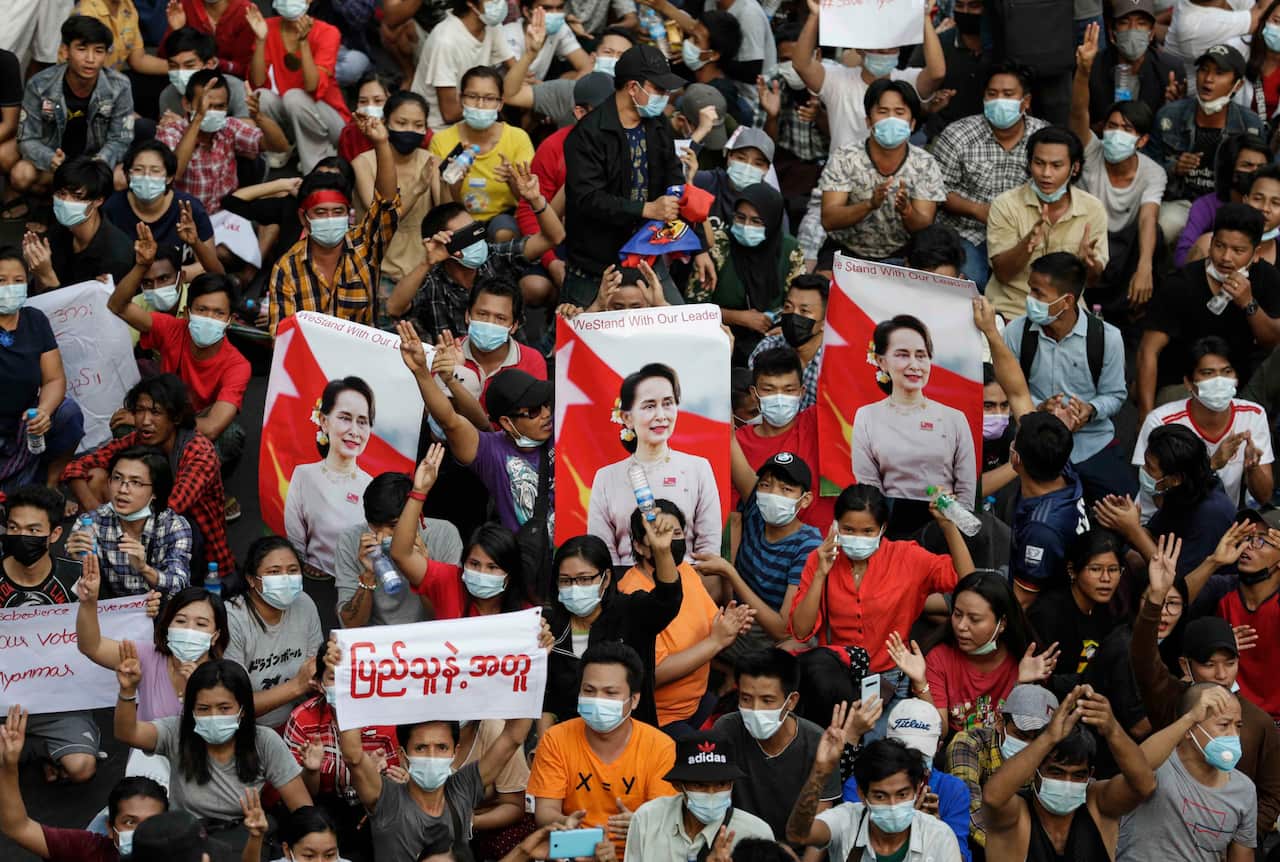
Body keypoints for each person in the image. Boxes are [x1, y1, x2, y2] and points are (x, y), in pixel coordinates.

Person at [1129, 533, 1280, 833]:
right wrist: (1156, 598)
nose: (1221, 675)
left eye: (1230, 663)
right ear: (1186, 665)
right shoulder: (1172, 699)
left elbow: (1271, 798)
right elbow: (1144, 659)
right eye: (1209, 664)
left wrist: (1232, 836)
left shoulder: (1260, 724)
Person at [789, 484, 968, 734]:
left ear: (883, 529)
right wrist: (820, 574)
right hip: (836, 680)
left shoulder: (907, 557)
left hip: (889, 682)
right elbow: (801, 629)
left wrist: (948, 526)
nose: (858, 537)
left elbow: (967, 582)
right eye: (849, 529)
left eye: (867, 531)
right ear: (835, 525)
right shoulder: (820, 558)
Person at [561, 44, 716, 308]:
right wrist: (646, 209)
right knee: (584, 342)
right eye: (659, 89)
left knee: (677, 330)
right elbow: (587, 199)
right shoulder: (587, 134)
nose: (666, 97)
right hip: (595, 268)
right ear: (633, 88)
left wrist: (699, 246)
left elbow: (676, 186)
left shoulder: (657, 126)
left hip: (649, 259)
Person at [114, 658, 312, 845]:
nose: (213, 716)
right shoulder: (176, 732)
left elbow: (303, 810)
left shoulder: (265, 741)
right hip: (186, 841)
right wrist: (127, 691)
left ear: (242, 709)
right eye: (203, 708)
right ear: (192, 710)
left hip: (244, 839)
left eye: (224, 708)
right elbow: (127, 733)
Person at [64, 374, 232, 576]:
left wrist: (108, 523)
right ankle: (107, 571)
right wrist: (94, 513)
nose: (145, 421)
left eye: (155, 412)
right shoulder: (138, 439)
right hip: (138, 529)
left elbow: (171, 508)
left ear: (176, 417)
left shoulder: (198, 451)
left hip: (197, 551)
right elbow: (75, 468)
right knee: (95, 476)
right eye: (140, 411)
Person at [108, 239, 250, 476]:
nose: (209, 317)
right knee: (123, 426)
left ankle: (208, 487)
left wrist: (151, 421)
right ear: (187, 311)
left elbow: (213, 427)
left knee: (231, 436)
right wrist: (142, 266)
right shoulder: (171, 328)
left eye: (218, 313)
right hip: (165, 414)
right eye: (202, 310)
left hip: (192, 428)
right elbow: (117, 305)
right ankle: (156, 481)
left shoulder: (238, 366)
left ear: (230, 319)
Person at [400, 326, 554, 536]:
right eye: (534, 411)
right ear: (507, 423)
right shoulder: (492, 452)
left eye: (547, 405)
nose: (546, 414)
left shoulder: (563, 433)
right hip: (528, 559)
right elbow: (450, 421)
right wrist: (421, 372)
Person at [528, 641, 678, 855]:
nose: (598, 700)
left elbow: (665, 819)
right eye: (589, 690)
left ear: (634, 700)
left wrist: (640, 824)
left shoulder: (660, 747)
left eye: (610, 693)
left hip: (637, 853)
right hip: (574, 851)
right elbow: (545, 811)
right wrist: (565, 822)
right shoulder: (555, 739)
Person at [1002, 252, 1131, 500]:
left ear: (1066, 301)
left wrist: (1089, 410)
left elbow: (1115, 395)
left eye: (1038, 293)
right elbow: (1006, 392)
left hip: (1091, 444)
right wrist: (1038, 410)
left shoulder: (1107, 338)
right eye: (1030, 290)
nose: (1030, 299)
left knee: (1123, 506)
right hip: (1035, 446)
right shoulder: (1017, 333)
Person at [981, 685, 1155, 862]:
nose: (1067, 782)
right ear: (1035, 771)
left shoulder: (1098, 805)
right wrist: (1048, 738)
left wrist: (1112, 729)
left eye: (1078, 775)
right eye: (1056, 772)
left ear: (1089, 775)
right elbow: (992, 798)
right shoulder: (1016, 817)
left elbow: (1144, 785)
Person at [1137, 203, 1280, 419]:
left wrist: (1248, 303)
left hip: (1240, 386)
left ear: (1256, 253)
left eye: (1238, 251)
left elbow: (1272, 342)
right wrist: (1145, 416)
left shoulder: (1266, 278)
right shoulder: (1180, 284)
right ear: (1210, 242)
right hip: (1185, 386)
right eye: (1220, 246)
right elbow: (1148, 351)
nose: (1226, 258)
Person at [618, 500, 748, 736]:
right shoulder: (632, 593)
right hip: (662, 717)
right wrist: (716, 641)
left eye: (676, 533)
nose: (670, 541)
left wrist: (731, 623)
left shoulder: (686, 571)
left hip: (699, 703)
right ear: (639, 546)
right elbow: (652, 673)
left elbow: (709, 625)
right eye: (661, 533)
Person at [266, 112, 398, 334]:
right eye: (320, 212)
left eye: (338, 211)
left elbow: (386, 204)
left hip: (362, 362)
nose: (330, 218)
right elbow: (282, 337)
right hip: (309, 363)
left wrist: (381, 144)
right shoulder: (287, 268)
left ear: (348, 214)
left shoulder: (365, 247)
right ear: (304, 218)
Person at [389, 179, 565, 342]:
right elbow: (394, 308)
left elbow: (554, 237)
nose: (475, 240)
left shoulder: (495, 256)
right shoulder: (432, 280)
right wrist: (428, 262)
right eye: (465, 236)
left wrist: (536, 200)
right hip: (455, 368)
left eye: (475, 230)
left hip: (512, 361)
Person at [542, 525, 682, 727]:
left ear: (606, 578)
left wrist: (662, 552)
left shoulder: (631, 612)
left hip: (633, 737)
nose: (575, 588)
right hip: (568, 744)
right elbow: (548, 698)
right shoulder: (550, 627)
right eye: (565, 581)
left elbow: (668, 601)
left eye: (584, 579)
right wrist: (543, 747)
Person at [1071, 27, 1166, 322]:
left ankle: (1137, 312)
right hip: (1086, 232)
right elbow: (1078, 113)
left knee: (1156, 239)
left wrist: (1145, 268)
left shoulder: (1153, 172)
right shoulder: (1091, 150)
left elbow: (1148, 217)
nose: (1116, 134)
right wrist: (1083, 71)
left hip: (1125, 243)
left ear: (1142, 140)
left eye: (1127, 129)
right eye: (1112, 126)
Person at [890, 570, 1057, 735]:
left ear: (1002, 623)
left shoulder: (1023, 661)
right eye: (957, 614)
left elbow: (1019, 735)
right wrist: (920, 682)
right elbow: (939, 731)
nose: (962, 626)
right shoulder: (938, 658)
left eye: (974, 619)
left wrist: (1022, 685)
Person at [588, 363, 722, 565]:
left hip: (689, 585)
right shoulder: (606, 477)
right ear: (627, 417)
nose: (661, 416)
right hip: (627, 589)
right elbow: (603, 552)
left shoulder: (698, 468)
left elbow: (708, 551)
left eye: (667, 403)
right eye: (649, 406)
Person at [932, 61, 1049, 287]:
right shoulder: (958, 134)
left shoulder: (1044, 137)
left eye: (1008, 94)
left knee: (1036, 284)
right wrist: (979, 211)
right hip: (967, 232)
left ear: (1025, 101)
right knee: (969, 282)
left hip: (1022, 233)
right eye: (992, 94)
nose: (999, 100)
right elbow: (938, 190)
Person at [0, 706, 168, 862]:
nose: (141, 833)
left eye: (152, 822)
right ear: (110, 828)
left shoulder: (189, 854)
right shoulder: (92, 851)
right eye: (130, 822)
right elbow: (18, 827)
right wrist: (7, 766)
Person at [1132, 335, 1273, 517]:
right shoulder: (1161, 422)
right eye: (1208, 373)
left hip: (1219, 522)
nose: (1219, 381)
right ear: (1188, 383)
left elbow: (1264, 497)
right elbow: (1158, 500)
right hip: (1162, 522)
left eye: (1227, 371)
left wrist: (1252, 468)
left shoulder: (1253, 415)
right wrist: (1211, 464)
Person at [77, 554, 229, 721]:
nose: (188, 630)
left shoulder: (227, 677)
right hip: (146, 747)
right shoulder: (148, 657)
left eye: (201, 624)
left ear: (215, 636)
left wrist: (199, 693)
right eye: (180, 621)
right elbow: (92, 647)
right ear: (167, 626)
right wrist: (89, 603)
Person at [710, 648, 842, 840]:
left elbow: (817, 832)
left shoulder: (818, 744)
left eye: (767, 700)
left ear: (791, 701)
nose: (755, 710)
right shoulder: (726, 730)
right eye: (746, 699)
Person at [785, 720, 963, 862]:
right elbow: (798, 835)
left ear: (916, 790)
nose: (893, 805)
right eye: (880, 796)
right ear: (862, 795)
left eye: (902, 795)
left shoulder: (939, 837)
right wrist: (820, 773)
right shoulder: (846, 821)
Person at [1116, 684, 1257, 861]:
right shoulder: (1159, 764)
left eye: (1238, 726)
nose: (1233, 735)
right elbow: (1136, 765)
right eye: (1223, 725)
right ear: (1190, 729)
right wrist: (1190, 717)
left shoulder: (1244, 791)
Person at [698, 452, 822, 652]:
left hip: (773, 633)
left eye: (786, 489)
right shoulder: (756, 511)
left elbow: (782, 630)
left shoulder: (807, 544)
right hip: (737, 618)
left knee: (793, 647)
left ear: (805, 499)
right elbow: (731, 446)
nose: (773, 494)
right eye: (765, 485)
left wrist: (730, 573)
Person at [852, 313, 978, 508]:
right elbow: (869, 487)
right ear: (881, 361)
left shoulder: (954, 419)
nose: (914, 365)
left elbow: (967, 494)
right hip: (889, 526)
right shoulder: (867, 416)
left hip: (947, 526)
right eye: (902, 355)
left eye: (921, 356)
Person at [984, 126, 1109, 320]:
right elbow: (1002, 274)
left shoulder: (1093, 209)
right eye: (1039, 163)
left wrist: (1088, 264)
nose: (1046, 173)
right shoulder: (1005, 204)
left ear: (1074, 167)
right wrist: (1026, 245)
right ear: (1029, 163)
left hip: (1066, 314)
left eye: (1056, 165)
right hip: (1011, 310)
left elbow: (1092, 281)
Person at [818, 79, 946, 268]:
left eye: (899, 112)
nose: (891, 119)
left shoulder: (925, 164)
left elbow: (924, 226)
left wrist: (907, 211)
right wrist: (869, 205)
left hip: (902, 255)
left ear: (912, 123)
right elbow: (829, 219)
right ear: (869, 121)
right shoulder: (844, 157)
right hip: (845, 250)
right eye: (883, 112)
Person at [281, 649, 399, 854]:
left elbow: (395, 798)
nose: (345, 686)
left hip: (370, 811)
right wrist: (311, 771)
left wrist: (377, 778)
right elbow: (301, 800)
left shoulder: (387, 721)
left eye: (352, 677)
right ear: (319, 683)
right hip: (320, 811)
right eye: (335, 678)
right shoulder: (302, 719)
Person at [789, 0, 944, 150]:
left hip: (893, 172)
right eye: (876, 47)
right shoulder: (836, 81)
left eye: (891, 47)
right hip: (842, 173)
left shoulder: (907, 81)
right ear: (859, 49)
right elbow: (801, 65)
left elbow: (937, 73)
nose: (884, 51)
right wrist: (814, 16)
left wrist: (924, 18)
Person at [1152, 45, 1264, 247]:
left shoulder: (1250, 125)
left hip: (1230, 204)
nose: (1208, 79)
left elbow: (1261, 175)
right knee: (1163, 226)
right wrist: (1174, 168)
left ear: (1237, 85)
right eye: (1204, 70)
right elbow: (1147, 167)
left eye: (1219, 73)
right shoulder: (1169, 116)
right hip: (1181, 202)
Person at [11, 16, 134, 196]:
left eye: (98, 51)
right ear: (65, 51)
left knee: (120, 178)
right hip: (55, 164)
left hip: (95, 164)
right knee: (21, 174)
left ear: (106, 55)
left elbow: (121, 139)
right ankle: (49, 204)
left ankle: (93, 212)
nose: (90, 59)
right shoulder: (40, 84)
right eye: (82, 49)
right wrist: (51, 159)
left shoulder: (120, 86)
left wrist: (96, 163)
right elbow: (27, 138)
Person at [353, 90, 445, 330]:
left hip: (423, 269)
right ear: (385, 123)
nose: (409, 130)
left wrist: (449, 181)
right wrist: (418, 188)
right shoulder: (363, 163)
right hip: (378, 271)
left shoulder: (431, 161)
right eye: (401, 123)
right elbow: (383, 218)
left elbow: (446, 215)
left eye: (418, 125)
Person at [687, 182, 805, 364]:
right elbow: (693, 309)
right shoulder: (719, 245)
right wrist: (739, 318)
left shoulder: (789, 249)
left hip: (772, 341)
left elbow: (801, 301)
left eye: (756, 221)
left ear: (772, 222)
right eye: (740, 218)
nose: (746, 226)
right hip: (718, 338)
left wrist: (785, 328)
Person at [843, 698, 973, 862]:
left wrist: (936, 832)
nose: (912, 764)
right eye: (903, 754)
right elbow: (846, 854)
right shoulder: (859, 785)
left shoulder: (953, 790)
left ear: (938, 748)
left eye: (920, 756)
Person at [1095, 425, 1236, 574]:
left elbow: (1175, 583)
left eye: (1149, 467)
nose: (1143, 469)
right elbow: (1154, 535)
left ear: (1175, 479)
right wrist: (1120, 520)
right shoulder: (1179, 491)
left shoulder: (1212, 513)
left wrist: (1133, 530)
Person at [334, 470, 464, 629]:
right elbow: (350, 625)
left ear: (416, 514)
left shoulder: (444, 535)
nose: (382, 535)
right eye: (374, 525)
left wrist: (424, 569)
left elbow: (449, 620)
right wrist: (368, 575)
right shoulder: (350, 540)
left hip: (429, 640)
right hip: (375, 643)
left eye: (393, 526)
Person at [0, 249, 83, 492]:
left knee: (68, 413)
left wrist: (44, 412)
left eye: (18, 281)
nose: (9, 287)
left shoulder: (35, 321)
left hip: (24, 424)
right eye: (1, 280)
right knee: (17, 497)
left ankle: (50, 484)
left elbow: (54, 378)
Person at [64, 444, 192, 597]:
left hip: (159, 611)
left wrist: (144, 569)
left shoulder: (173, 526)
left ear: (155, 492)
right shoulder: (90, 523)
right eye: (117, 478)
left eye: (136, 482)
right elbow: (76, 592)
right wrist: (75, 563)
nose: (123, 490)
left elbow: (179, 585)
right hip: (111, 612)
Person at [224, 536, 324, 731]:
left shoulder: (304, 603)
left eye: (293, 570)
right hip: (248, 729)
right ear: (252, 579)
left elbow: (315, 671)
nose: (285, 578)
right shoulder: (233, 618)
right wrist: (297, 686)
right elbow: (234, 705)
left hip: (300, 720)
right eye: (274, 572)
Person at [944, 684, 1059, 850]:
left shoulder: (1051, 753)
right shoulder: (969, 744)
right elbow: (968, 805)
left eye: (1038, 740)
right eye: (1022, 735)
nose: (1030, 747)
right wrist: (1011, 853)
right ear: (999, 722)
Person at [156, 70, 287, 217]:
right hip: (187, 218)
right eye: (205, 106)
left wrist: (258, 117)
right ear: (186, 104)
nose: (212, 112)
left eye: (219, 107)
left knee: (281, 198)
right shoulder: (170, 132)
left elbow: (280, 146)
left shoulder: (229, 127)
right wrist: (199, 118)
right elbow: (175, 173)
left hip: (227, 215)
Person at [623, 733, 773, 860]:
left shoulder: (756, 833)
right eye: (700, 785)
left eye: (721, 784)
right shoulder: (648, 819)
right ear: (678, 785)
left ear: (732, 784)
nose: (711, 793)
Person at [283, 376, 375, 580]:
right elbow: (295, 542)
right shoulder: (303, 476)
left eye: (362, 422)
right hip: (311, 581)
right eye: (344, 418)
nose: (354, 431)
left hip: (359, 585)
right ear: (324, 421)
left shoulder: (372, 487)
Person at [428, 66, 534, 238]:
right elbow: (442, 206)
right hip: (457, 220)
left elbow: (528, 201)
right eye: (472, 96)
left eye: (489, 98)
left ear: (500, 103)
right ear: (460, 99)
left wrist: (512, 180)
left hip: (503, 218)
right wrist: (454, 183)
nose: (480, 105)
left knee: (504, 231)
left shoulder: (518, 138)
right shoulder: (442, 141)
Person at [245, 1, 348, 174]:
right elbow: (257, 81)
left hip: (331, 120)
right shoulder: (268, 26)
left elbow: (312, 86)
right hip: (294, 109)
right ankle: (284, 147)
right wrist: (261, 40)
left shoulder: (328, 32)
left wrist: (304, 42)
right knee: (261, 96)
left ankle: (318, 160)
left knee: (294, 97)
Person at [102, 140, 223, 278]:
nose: (146, 177)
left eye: (155, 171)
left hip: (182, 287)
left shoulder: (189, 208)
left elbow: (210, 268)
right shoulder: (111, 209)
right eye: (138, 170)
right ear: (128, 175)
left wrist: (167, 278)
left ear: (169, 177)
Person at [1026, 529, 1125, 697]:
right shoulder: (1047, 614)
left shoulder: (1109, 608)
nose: (1106, 579)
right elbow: (1041, 679)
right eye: (1096, 569)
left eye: (1113, 570)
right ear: (1072, 570)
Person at [27, 156, 135, 290]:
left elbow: (93, 309)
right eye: (61, 194)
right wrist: (38, 271)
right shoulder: (60, 231)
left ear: (98, 201)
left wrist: (47, 275)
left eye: (77, 196)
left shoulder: (116, 256)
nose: (66, 202)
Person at [411, 0, 516, 131]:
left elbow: (516, 70)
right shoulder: (445, 41)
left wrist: (531, 54)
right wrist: (493, 100)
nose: (500, 3)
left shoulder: (491, 25)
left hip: (477, 114)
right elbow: (449, 113)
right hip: (439, 128)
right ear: (471, 3)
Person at [1174, 133, 1272, 267]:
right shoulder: (1206, 206)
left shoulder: (1272, 207)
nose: (1255, 172)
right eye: (1247, 165)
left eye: (1261, 167)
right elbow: (1183, 255)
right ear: (1229, 170)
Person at [450, 279, 548, 412]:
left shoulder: (532, 361)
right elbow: (437, 418)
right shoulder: (448, 353)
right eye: (482, 314)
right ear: (468, 315)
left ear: (514, 326)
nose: (490, 323)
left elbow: (533, 421)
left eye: (500, 318)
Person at [1086, 0, 1174, 126]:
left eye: (1141, 23)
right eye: (1124, 22)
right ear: (1112, 31)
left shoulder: (1168, 69)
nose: (1133, 30)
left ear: (1152, 33)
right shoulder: (1094, 67)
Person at [747, 274, 828, 409]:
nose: (793, 315)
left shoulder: (833, 366)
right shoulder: (767, 348)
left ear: (825, 321)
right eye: (788, 307)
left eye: (804, 311)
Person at [156, 27, 249, 120]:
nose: (180, 72)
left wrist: (183, 127)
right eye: (174, 66)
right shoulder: (168, 95)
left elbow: (248, 128)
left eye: (189, 66)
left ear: (210, 64)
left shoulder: (235, 88)